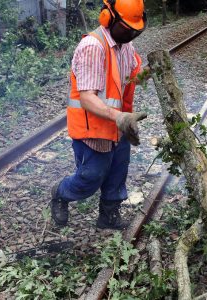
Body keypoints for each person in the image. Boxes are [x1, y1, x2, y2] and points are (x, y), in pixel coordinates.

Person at [50, 0, 150, 229]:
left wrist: (155, 69)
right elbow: (86, 97)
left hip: (118, 125)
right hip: (93, 128)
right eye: (126, 29)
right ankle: (60, 192)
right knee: (90, 178)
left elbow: (132, 78)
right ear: (108, 17)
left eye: (135, 30)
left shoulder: (126, 47)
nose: (131, 34)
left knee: (117, 172)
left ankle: (109, 215)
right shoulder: (92, 47)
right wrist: (120, 117)